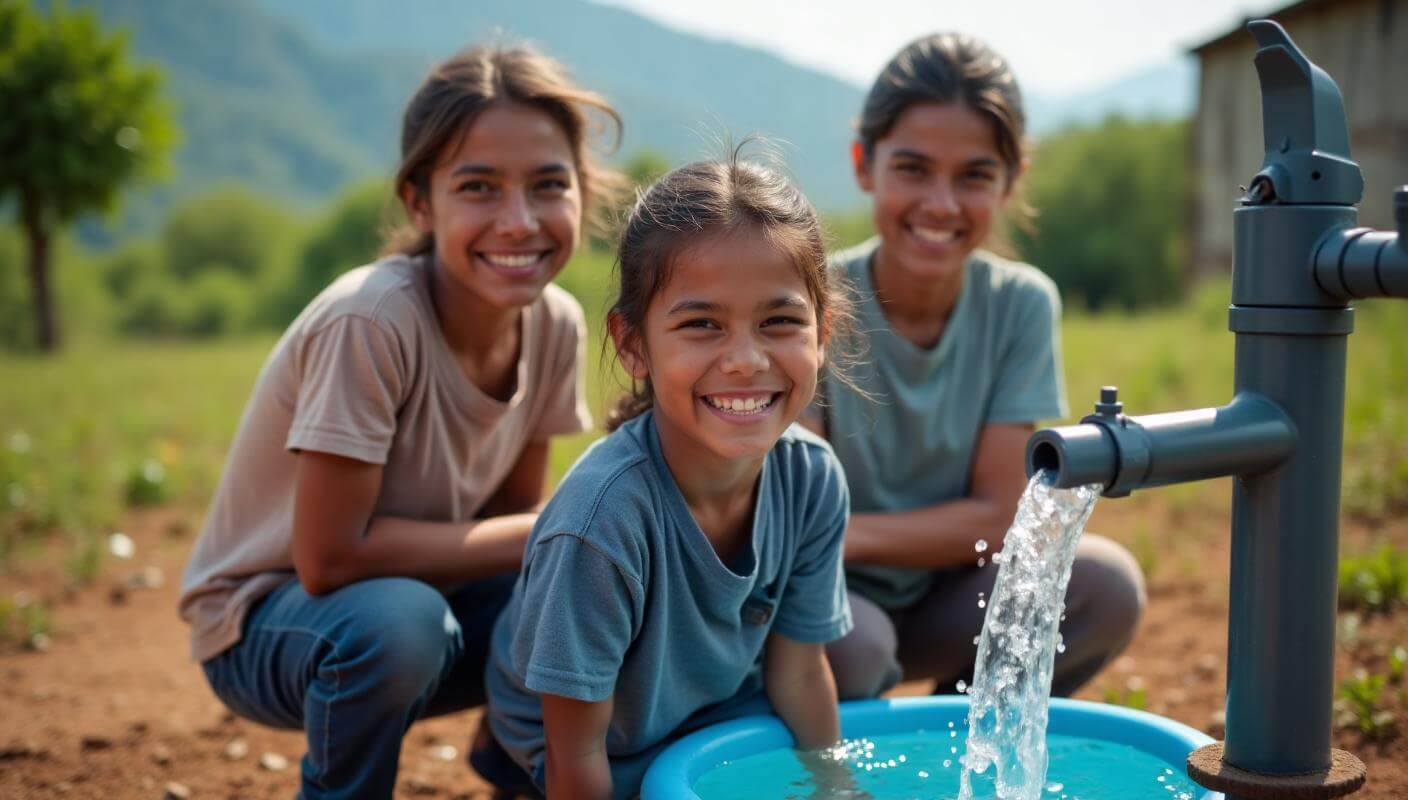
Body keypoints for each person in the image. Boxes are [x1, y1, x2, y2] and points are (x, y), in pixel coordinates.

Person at [177, 44, 622, 799]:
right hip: (270, 626)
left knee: (600, 589)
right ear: (421, 201)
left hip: (423, 601)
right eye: (478, 187)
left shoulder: (554, 323)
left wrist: (575, 545)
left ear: (580, 193)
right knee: (402, 625)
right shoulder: (373, 320)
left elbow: (511, 523)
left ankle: (515, 759)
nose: (518, 222)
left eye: (549, 185)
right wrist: (566, 524)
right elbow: (328, 560)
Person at [482, 154, 855, 800]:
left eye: (780, 321)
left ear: (822, 333)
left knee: (835, 698)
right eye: (702, 325)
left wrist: (837, 790)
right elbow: (578, 753)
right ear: (633, 345)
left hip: (713, 712)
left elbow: (797, 673)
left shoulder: (813, 478)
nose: (745, 359)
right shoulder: (601, 524)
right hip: (594, 746)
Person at [812, 33, 1146, 701]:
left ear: (1011, 181)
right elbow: (797, 521)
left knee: (1106, 588)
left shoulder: (1019, 304)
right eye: (912, 168)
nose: (941, 203)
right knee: (858, 648)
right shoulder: (810, 299)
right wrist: (833, 545)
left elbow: (999, 515)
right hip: (826, 604)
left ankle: (962, 747)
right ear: (863, 164)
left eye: (974, 175)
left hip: (949, 596)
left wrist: (847, 537)